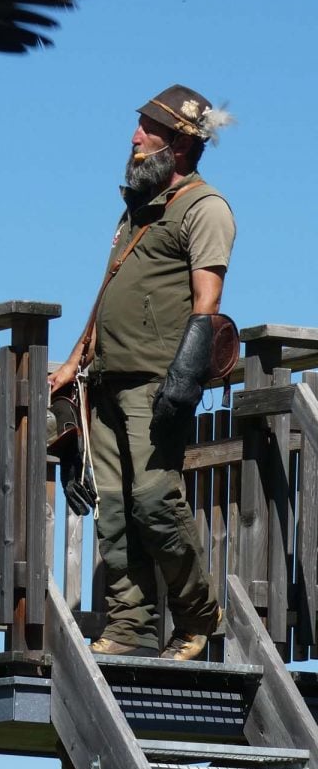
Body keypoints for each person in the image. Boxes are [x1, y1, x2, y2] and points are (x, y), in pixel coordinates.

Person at [49, 84, 235, 660]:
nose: (134, 138)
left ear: (179, 143)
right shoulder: (135, 211)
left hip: (157, 383)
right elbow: (108, 292)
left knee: (154, 500)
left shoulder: (205, 209)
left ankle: (200, 616)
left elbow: (208, 302)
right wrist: (78, 358)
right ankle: (129, 626)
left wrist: (183, 380)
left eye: (147, 130)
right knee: (110, 505)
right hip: (104, 378)